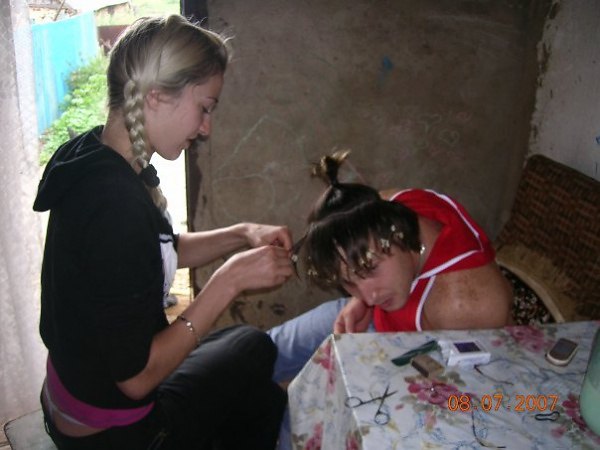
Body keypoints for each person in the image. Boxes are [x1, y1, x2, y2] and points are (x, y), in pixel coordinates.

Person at [33, 15, 294, 449]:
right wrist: (229, 281)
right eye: (205, 107)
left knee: (250, 346)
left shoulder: (93, 154)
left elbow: (156, 251)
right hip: (110, 433)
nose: (206, 127)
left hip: (72, 396)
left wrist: (242, 233)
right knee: (259, 375)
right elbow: (136, 380)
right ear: (155, 97)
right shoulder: (116, 207)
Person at [268, 150, 513, 382]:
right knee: (266, 348)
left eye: (369, 269)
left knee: (307, 404)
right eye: (349, 282)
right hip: (383, 319)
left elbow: (458, 380)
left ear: (398, 235)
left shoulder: (461, 306)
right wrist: (358, 301)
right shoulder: (387, 206)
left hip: (419, 349)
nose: (369, 297)